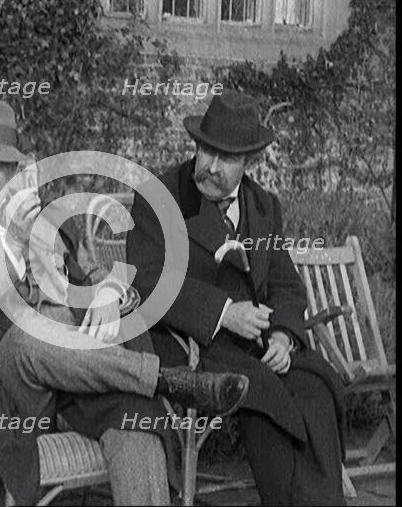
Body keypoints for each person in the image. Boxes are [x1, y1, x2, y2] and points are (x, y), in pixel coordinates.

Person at [0, 95, 249, 505]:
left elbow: (89, 272)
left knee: (135, 418)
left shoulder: (39, 217)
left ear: (12, 172)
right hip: (11, 385)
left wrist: (104, 295)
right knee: (30, 336)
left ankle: (150, 384)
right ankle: (167, 380)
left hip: (84, 374)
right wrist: (10, 244)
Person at [126, 90, 346, 505]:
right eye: (206, 150)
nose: (210, 167)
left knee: (316, 390)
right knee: (263, 397)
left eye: (226, 158)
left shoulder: (263, 206)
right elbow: (146, 279)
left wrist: (283, 335)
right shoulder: (161, 197)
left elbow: (285, 283)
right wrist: (224, 312)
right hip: (190, 345)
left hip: (257, 346)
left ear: (249, 161)